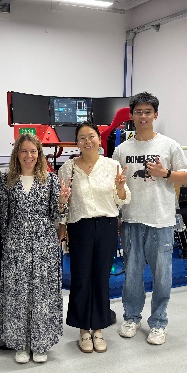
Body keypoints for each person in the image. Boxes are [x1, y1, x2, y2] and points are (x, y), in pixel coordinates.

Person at [112, 92, 187, 346]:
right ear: (131, 115)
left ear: (155, 115)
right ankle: (131, 317)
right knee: (132, 274)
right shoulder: (122, 150)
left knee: (162, 276)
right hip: (132, 219)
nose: (143, 116)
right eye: (138, 112)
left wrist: (165, 173)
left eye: (148, 112)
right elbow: (115, 183)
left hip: (161, 221)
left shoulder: (169, 145)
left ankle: (158, 322)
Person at [0, 133, 71, 364]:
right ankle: (21, 344)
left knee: (42, 294)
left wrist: (62, 201)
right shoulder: (7, 180)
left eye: (33, 151)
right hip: (15, 244)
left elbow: (57, 214)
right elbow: (2, 216)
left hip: (44, 244)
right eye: (24, 151)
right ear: (17, 154)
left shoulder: (50, 180)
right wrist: (9, 244)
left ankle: (41, 343)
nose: (28, 156)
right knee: (18, 293)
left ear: (39, 154)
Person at [58, 122, 130, 353]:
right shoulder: (67, 168)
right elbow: (63, 204)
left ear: (99, 139)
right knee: (81, 278)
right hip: (79, 227)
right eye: (82, 138)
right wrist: (61, 228)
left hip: (107, 225)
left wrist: (120, 186)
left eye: (91, 136)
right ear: (76, 142)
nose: (87, 141)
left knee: (100, 277)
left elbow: (122, 199)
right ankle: (83, 330)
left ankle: (98, 328)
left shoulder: (112, 165)